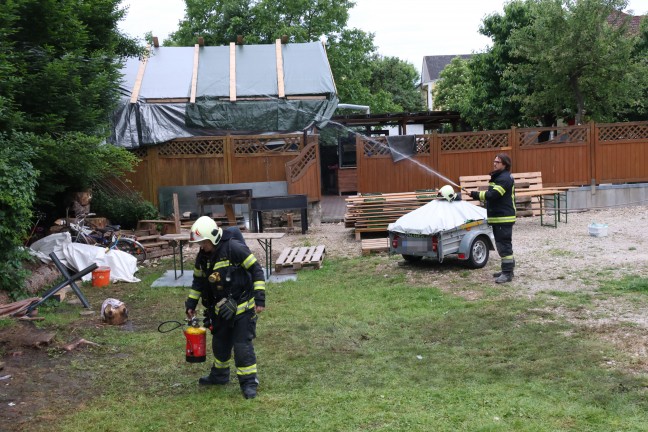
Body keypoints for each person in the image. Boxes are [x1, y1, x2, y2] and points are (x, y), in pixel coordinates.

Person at [185, 216, 266, 399]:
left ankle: (249, 383)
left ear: (212, 238)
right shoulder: (203, 258)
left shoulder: (234, 248)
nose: (201, 247)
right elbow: (198, 282)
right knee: (220, 344)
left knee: (241, 347)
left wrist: (259, 298)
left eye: (203, 242)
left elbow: (256, 270)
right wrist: (191, 303)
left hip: (243, 308)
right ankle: (219, 376)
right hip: (220, 309)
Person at [470, 153, 516, 283]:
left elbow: (494, 194)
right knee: (503, 244)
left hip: (503, 218)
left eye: (497, 162)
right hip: (499, 217)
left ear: (505, 164)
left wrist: (475, 194)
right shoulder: (501, 177)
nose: (494, 163)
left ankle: (507, 273)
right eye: (494, 161)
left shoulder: (505, 178)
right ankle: (508, 270)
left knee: (504, 246)